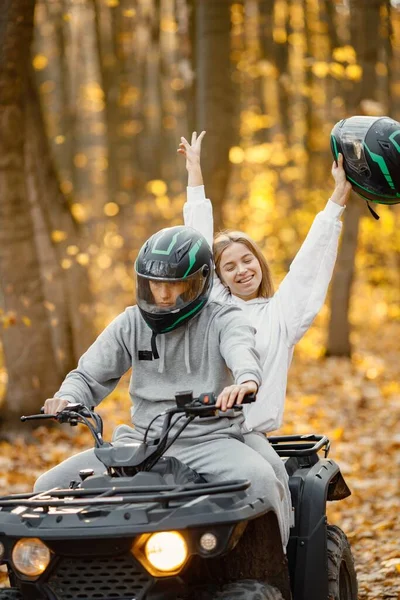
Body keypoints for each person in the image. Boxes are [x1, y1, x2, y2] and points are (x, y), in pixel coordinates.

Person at [35, 225, 291, 548]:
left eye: (174, 283)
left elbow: (242, 351)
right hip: (141, 443)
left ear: (198, 281)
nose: (164, 294)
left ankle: (277, 574)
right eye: (155, 283)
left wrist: (246, 381)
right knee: (47, 486)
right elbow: (87, 375)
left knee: (263, 480)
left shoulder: (224, 318)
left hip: (209, 441)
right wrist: (67, 398)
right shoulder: (131, 323)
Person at [178, 131, 351, 480]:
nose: (242, 270)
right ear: (219, 277)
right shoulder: (212, 307)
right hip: (201, 435)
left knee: (272, 480)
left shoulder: (281, 315)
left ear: (259, 262)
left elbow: (308, 267)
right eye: (229, 266)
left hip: (248, 436)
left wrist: (338, 198)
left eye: (247, 260)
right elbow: (196, 238)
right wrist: (194, 174)